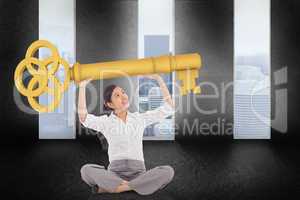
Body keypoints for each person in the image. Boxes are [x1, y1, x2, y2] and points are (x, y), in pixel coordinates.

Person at [78, 74, 175, 195]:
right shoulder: (106, 122)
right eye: (117, 95)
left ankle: (118, 187)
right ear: (110, 104)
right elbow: (84, 118)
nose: (123, 96)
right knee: (86, 170)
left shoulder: (139, 118)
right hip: (114, 173)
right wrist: (82, 87)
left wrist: (159, 79)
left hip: (139, 173)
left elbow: (169, 108)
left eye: (123, 92)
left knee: (168, 171)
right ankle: (137, 187)